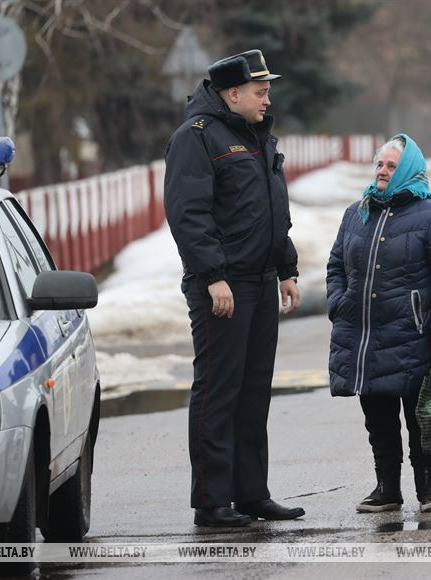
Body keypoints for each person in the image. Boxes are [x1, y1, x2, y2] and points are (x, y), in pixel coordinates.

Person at [163, 49, 305, 527]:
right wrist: (212, 276)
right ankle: (211, 501)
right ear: (233, 93)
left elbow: (272, 209)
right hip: (222, 286)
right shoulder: (197, 138)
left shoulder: (257, 136)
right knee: (218, 391)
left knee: (253, 392)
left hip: (261, 279)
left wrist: (286, 268)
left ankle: (251, 494)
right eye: (261, 92)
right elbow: (188, 214)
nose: (268, 100)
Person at [326, 134, 431, 513]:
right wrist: (339, 303)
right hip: (364, 334)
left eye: (391, 166)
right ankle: (387, 488)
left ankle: (429, 489)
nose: (383, 172)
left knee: (419, 417)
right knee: (378, 417)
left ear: (409, 170)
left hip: (412, 333)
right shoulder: (358, 212)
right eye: (380, 165)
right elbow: (336, 265)